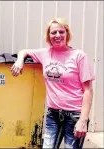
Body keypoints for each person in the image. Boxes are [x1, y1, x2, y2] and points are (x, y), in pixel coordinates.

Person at [11, 18, 95, 148]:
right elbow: (24, 51)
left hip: (74, 115)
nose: (57, 36)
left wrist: (83, 121)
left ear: (67, 33)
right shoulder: (45, 53)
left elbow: (88, 90)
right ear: (48, 36)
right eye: (53, 32)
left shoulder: (79, 56)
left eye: (61, 32)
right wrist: (19, 61)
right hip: (53, 114)